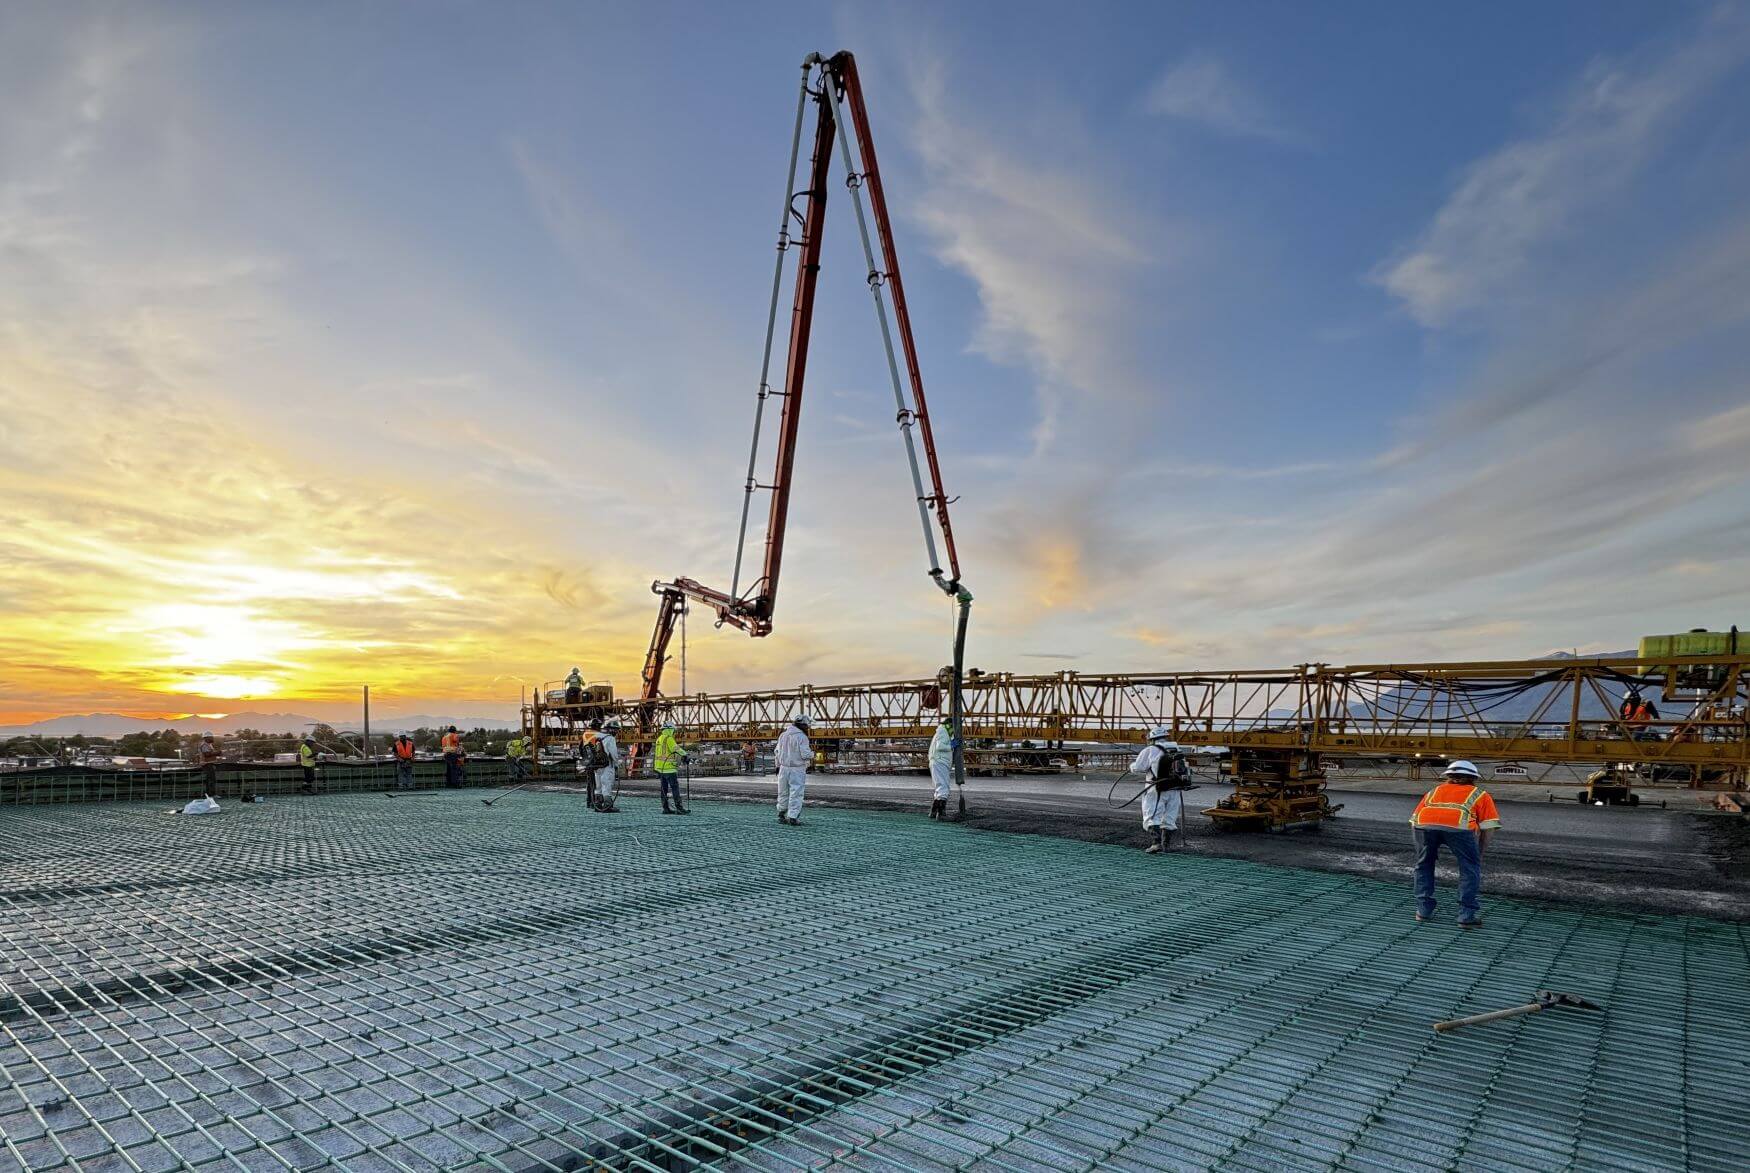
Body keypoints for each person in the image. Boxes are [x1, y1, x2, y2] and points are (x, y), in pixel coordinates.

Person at [1410, 760, 1502, 928]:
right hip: (1459, 829)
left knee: (1423, 865)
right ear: (1473, 778)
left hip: (1423, 826)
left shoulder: (1434, 791)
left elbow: (1414, 819)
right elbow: (1488, 827)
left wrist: (1421, 852)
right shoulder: (1480, 794)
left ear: (1448, 776)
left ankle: (1423, 911)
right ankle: (1466, 916)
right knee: (1469, 868)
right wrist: (1479, 853)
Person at [1131, 726, 1190, 854]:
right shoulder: (1176, 748)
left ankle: (1156, 843)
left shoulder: (1150, 750)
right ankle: (1166, 845)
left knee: (1151, 814)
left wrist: (1132, 766)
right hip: (1174, 788)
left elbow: (1139, 767)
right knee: (1170, 816)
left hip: (1156, 788)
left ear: (1152, 739)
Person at [774, 713, 812, 826]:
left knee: (783, 791)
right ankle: (793, 817)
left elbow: (777, 752)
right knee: (796, 792)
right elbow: (805, 755)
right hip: (797, 769)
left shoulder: (783, 735)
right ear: (803, 725)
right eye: (807, 726)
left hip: (783, 768)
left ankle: (781, 814)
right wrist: (812, 754)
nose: (808, 728)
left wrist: (777, 765)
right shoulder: (802, 737)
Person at [654, 721, 689, 814]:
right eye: (673, 730)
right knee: (675, 788)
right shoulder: (669, 738)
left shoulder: (659, 739)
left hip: (660, 769)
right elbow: (675, 748)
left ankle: (665, 808)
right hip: (669, 768)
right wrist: (685, 754)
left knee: (663, 789)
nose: (674, 732)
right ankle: (679, 808)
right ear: (670, 729)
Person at [927, 717, 955, 820]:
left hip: (937, 761)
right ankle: (941, 814)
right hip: (940, 761)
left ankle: (934, 812)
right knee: (944, 786)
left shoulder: (940, 731)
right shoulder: (943, 731)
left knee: (939, 786)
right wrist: (951, 746)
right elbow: (940, 747)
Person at [593, 718, 622, 812]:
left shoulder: (597, 736)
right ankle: (607, 805)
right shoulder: (610, 738)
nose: (617, 732)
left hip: (597, 766)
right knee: (607, 784)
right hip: (607, 765)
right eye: (616, 730)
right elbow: (613, 754)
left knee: (598, 786)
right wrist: (617, 764)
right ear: (612, 729)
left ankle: (597, 804)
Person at [198, 733, 222, 798]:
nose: (212, 738)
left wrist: (217, 753)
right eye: (211, 737)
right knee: (211, 779)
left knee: (211, 779)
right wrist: (217, 753)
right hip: (207, 764)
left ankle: (211, 794)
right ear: (206, 738)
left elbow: (210, 753)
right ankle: (211, 794)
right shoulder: (204, 745)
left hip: (209, 763)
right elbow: (207, 754)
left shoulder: (209, 744)